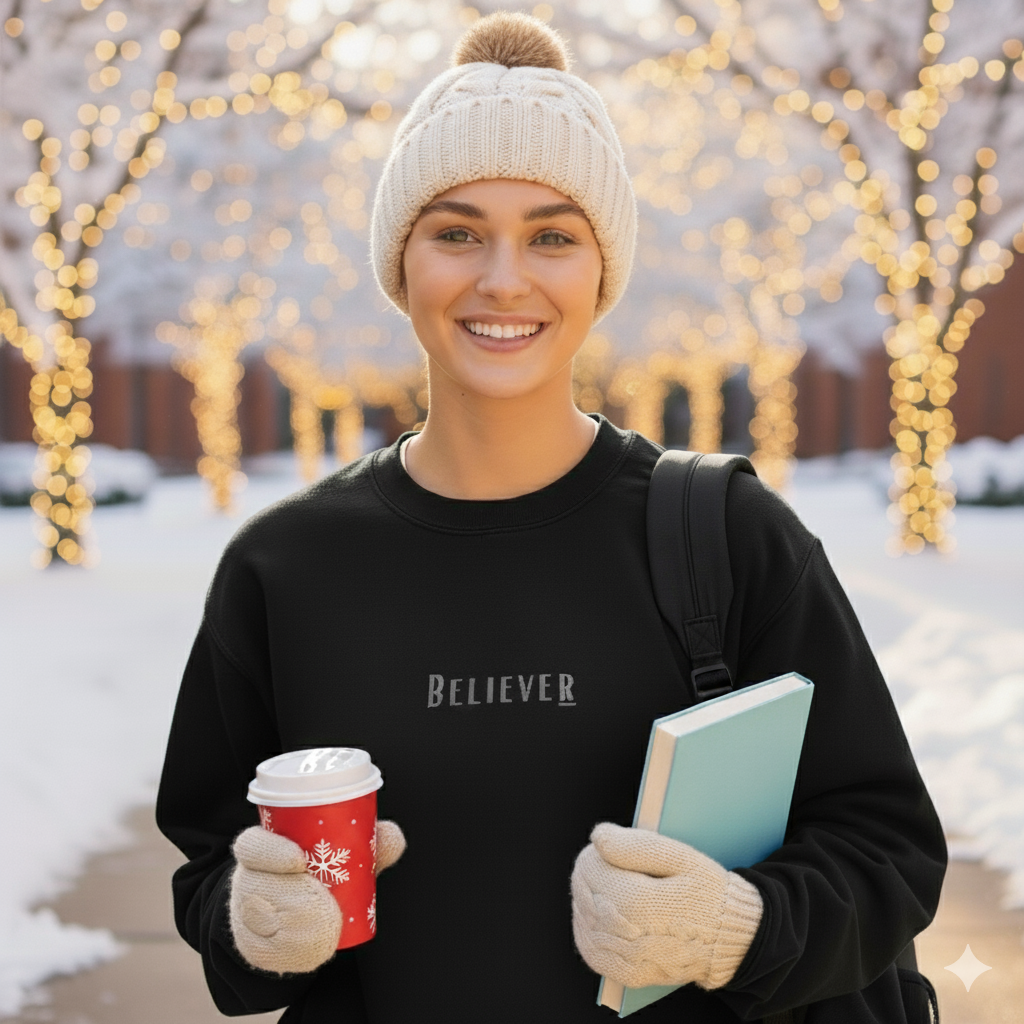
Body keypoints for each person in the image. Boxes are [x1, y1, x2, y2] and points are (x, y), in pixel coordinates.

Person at [156, 12, 946, 1024]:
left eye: (551, 235)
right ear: (401, 261)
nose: (501, 278)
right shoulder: (287, 567)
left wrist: (739, 926)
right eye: (455, 231)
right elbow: (212, 865)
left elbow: (886, 845)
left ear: (598, 270)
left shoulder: (728, 536)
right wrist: (250, 917)